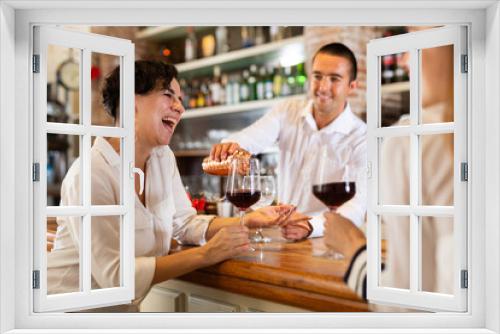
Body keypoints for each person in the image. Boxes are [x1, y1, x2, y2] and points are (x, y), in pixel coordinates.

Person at [47, 60, 294, 311]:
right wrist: (205, 254)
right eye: (168, 95)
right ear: (131, 104)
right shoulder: (91, 174)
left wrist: (249, 220)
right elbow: (116, 276)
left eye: (180, 99)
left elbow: (185, 223)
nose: (180, 107)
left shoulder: (163, 158)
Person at [210, 43, 367, 241]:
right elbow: (251, 138)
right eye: (317, 76)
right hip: (282, 236)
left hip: (325, 238)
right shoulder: (287, 111)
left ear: (352, 86)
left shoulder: (362, 138)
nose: (323, 87)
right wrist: (230, 145)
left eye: (334, 79)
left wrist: (311, 225)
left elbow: (359, 205)